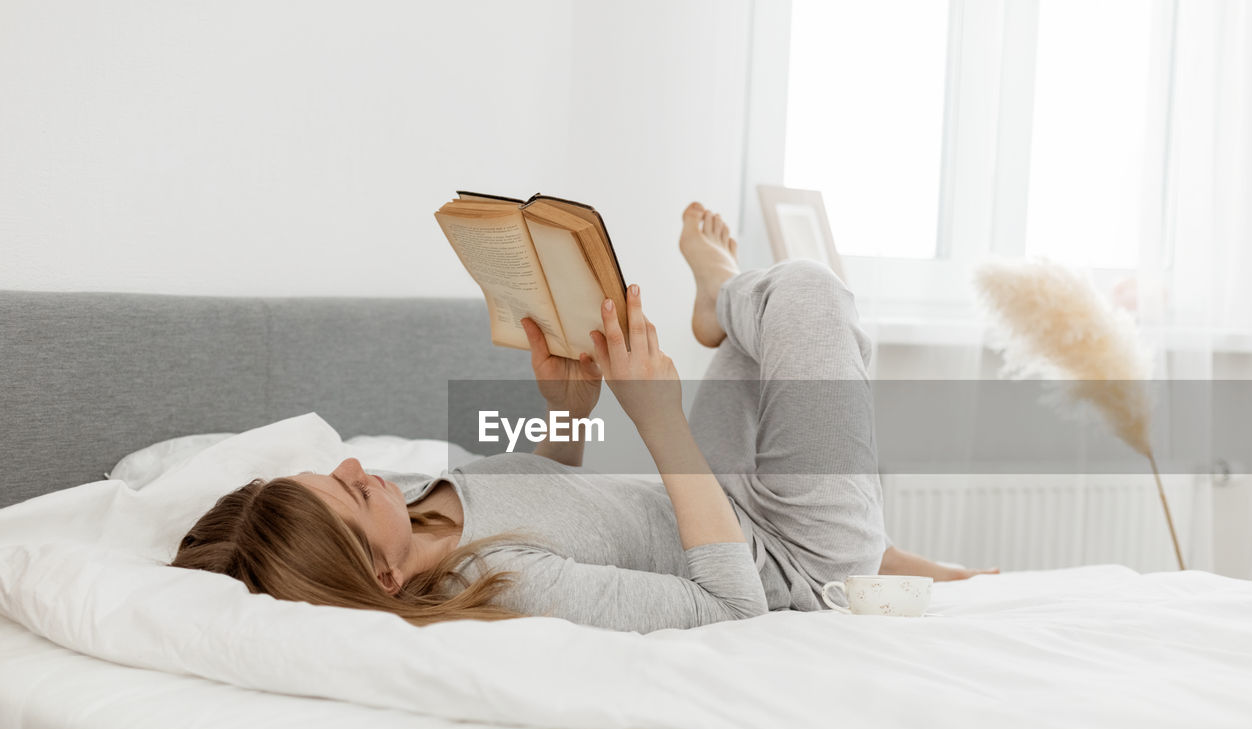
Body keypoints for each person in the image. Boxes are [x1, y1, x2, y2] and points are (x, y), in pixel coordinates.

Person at [173, 203, 993, 632]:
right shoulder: (496, 585)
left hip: (706, 496)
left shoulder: (420, 498)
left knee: (779, 319)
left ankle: (729, 303)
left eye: (336, 471)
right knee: (807, 292)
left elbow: (563, 502)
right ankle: (726, 289)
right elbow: (731, 610)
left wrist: (568, 413)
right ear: (383, 577)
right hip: (787, 560)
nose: (357, 466)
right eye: (353, 495)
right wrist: (658, 418)